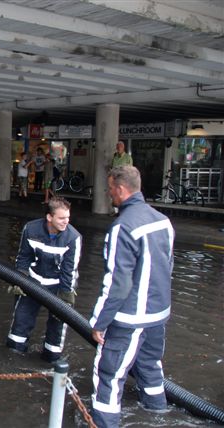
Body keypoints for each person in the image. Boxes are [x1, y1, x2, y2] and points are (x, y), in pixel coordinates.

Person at [89, 166, 174, 428]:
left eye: (110, 188)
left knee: (109, 374)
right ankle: (158, 412)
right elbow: (168, 266)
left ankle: (104, 422)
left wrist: (99, 322)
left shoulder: (122, 227)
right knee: (150, 365)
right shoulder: (163, 220)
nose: (108, 193)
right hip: (159, 314)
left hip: (129, 318)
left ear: (121, 189)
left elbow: (117, 282)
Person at [6, 196, 82, 363]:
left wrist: (65, 298)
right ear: (49, 217)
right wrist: (20, 279)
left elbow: (69, 270)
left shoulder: (73, 237)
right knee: (20, 322)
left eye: (68, 218)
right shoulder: (31, 229)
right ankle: (12, 359)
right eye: (61, 218)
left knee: (56, 331)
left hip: (58, 286)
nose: (66, 222)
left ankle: (51, 359)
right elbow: (23, 257)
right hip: (32, 283)